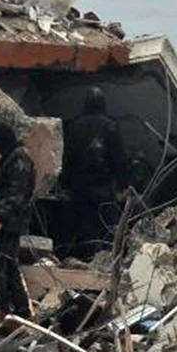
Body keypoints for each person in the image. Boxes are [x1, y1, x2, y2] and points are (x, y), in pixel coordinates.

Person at [60, 87, 130, 256]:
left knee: (84, 224)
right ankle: (109, 257)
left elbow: (66, 157)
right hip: (103, 185)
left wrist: (65, 184)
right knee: (108, 224)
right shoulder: (110, 126)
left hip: (79, 185)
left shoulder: (73, 126)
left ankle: (88, 256)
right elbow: (118, 158)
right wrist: (124, 184)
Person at [0, 122, 35, 320]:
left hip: (9, 222)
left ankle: (2, 309)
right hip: (9, 221)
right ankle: (21, 310)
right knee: (8, 265)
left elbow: (16, 192)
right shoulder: (13, 157)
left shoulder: (19, 159)